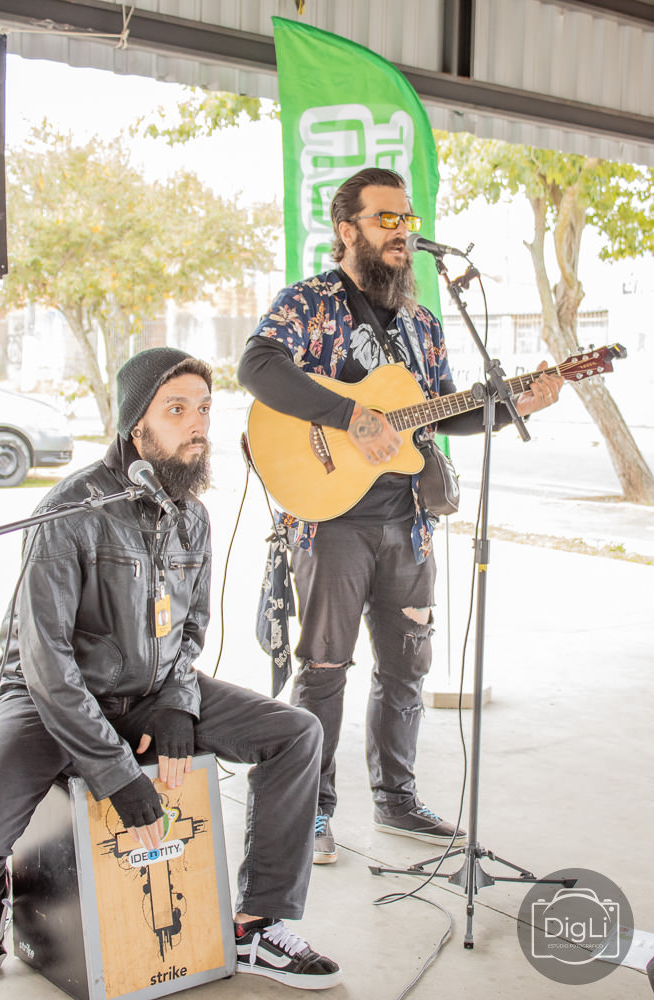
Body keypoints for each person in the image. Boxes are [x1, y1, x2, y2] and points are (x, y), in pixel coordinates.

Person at [0, 347, 341, 991]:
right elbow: (44, 659)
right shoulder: (69, 510)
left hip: (150, 690)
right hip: (47, 695)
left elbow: (189, 631)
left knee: (296, 733)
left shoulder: (192, 518)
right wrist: (116, 773)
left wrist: (178, 700)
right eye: (176, 409)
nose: (196, 424)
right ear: (135, 424)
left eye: (203, 408)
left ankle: (258, 926)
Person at [238, 167, 564, 866]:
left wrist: (513, 404)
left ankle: (397, 800)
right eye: (386, 219)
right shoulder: (310, 302)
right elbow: (257, 366)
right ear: (346, 229)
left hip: (407, 523)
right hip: (328, 524)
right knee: (324, 669)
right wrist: (349, 415)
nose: (402, 231)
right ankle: (312, 811)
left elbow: (443, 412)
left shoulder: (422, 323)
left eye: (407, 219)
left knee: (406, 666)